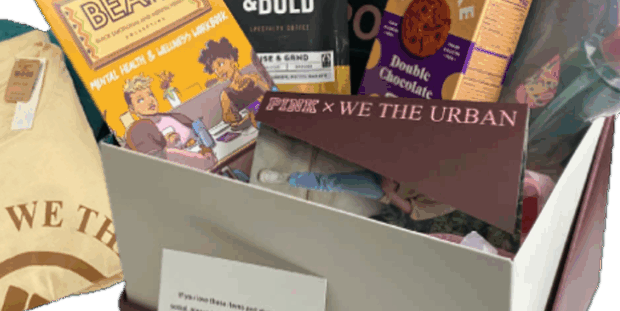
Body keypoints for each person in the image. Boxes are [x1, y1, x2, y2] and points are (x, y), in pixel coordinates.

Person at [256, 168, 454, 221]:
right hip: (393, 156)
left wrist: (389, 191)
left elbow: (415, 211)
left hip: (384, 187)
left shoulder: (452, 202)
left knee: (332, 183)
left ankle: (288, 178)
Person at [122, 74, 215, 170]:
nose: (150, 101)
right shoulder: (142, 134)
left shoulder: (175, 117)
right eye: (141, 100)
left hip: (208, 156)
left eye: (150, 95)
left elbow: (201, 134)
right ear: (132, 109)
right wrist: (169, 146)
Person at [197, 37, 271, 127]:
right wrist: (232, 117)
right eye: (215, 70)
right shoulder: (226, 94)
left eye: (221, 64)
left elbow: (270, 94)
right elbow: (229, 120)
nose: (219, 71)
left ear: (231, 58)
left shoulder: (253, 78)